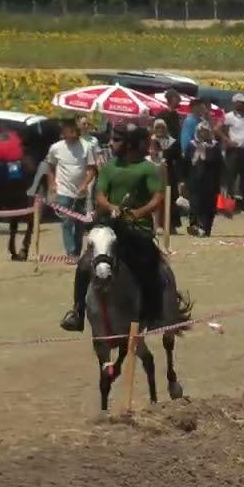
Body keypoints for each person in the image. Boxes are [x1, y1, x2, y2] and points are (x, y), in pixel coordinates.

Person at [60, 125, 166, 333]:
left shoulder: (148, 169)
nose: (112, 143)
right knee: (84, 264)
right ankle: (78, 312)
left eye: (118, 139)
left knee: (150, 263)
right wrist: (111, 207)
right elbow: (100, 195)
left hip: (138, 228)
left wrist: (139, 212)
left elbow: (158, 197)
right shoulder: (109, 168)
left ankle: (153, 312)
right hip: (109, 225)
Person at [43, 117, 97, 257]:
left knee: (79, 224)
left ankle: (77, 252)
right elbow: (50, 167)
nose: (74, 132)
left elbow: (91, 169)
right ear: (64, 132)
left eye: (76, 129)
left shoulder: (87, 147)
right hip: (63, 190)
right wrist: (52, 183)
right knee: (67, 221)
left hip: (81, 192)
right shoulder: (56, 148)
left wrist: (85, 184)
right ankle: (70, 252)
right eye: (70, 129)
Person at [184, 120, 222, 238]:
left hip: (210, 181)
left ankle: (206, 229)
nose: (203, 134)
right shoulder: (191, 145)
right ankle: (194, 226)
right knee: (195, 205)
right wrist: (183, 180)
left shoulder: (214, 146)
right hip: (194, 180)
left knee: (209, 206)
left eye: (206, 132)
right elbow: (185, 163)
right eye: (201, 132)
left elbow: (220, 165)